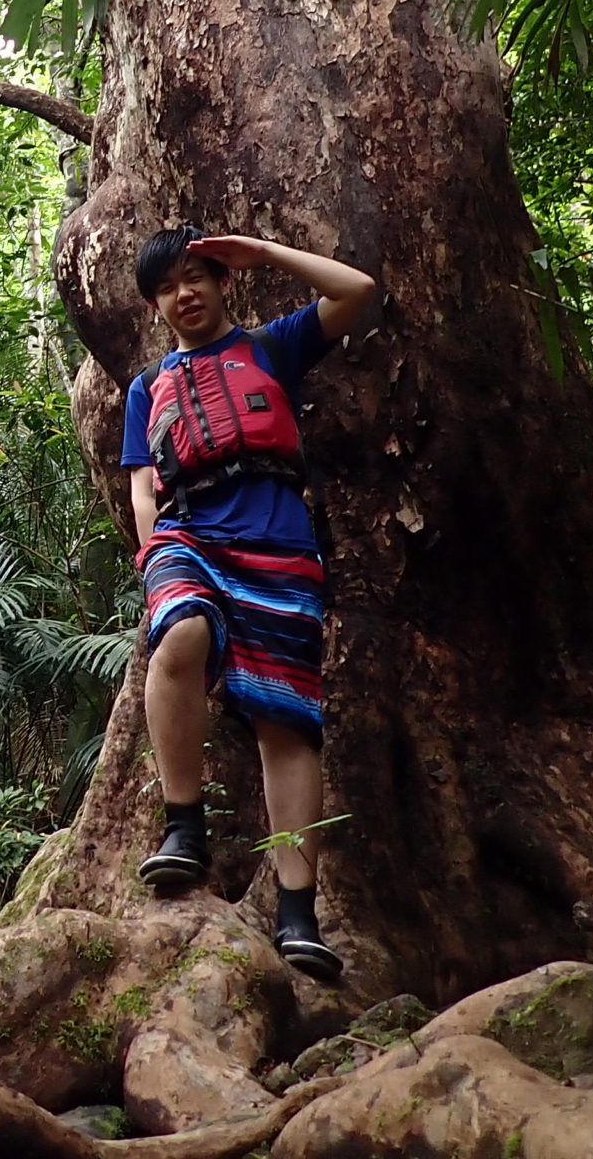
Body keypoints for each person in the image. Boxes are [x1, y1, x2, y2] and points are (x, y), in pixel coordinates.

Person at [123, 225, 376, 982]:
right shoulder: (147, 387)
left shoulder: (273, 347)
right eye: (167, 287)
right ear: (155, 303)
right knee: (181, 634)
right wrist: (150, 550)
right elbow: (142, 482)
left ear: (221, 280)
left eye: (196, 276)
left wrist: (264, 254)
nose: (184, 294)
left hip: (277, 541)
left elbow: (357, 291)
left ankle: (298, 914)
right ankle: (183, 827)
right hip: (187, 533)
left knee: (285, 721)